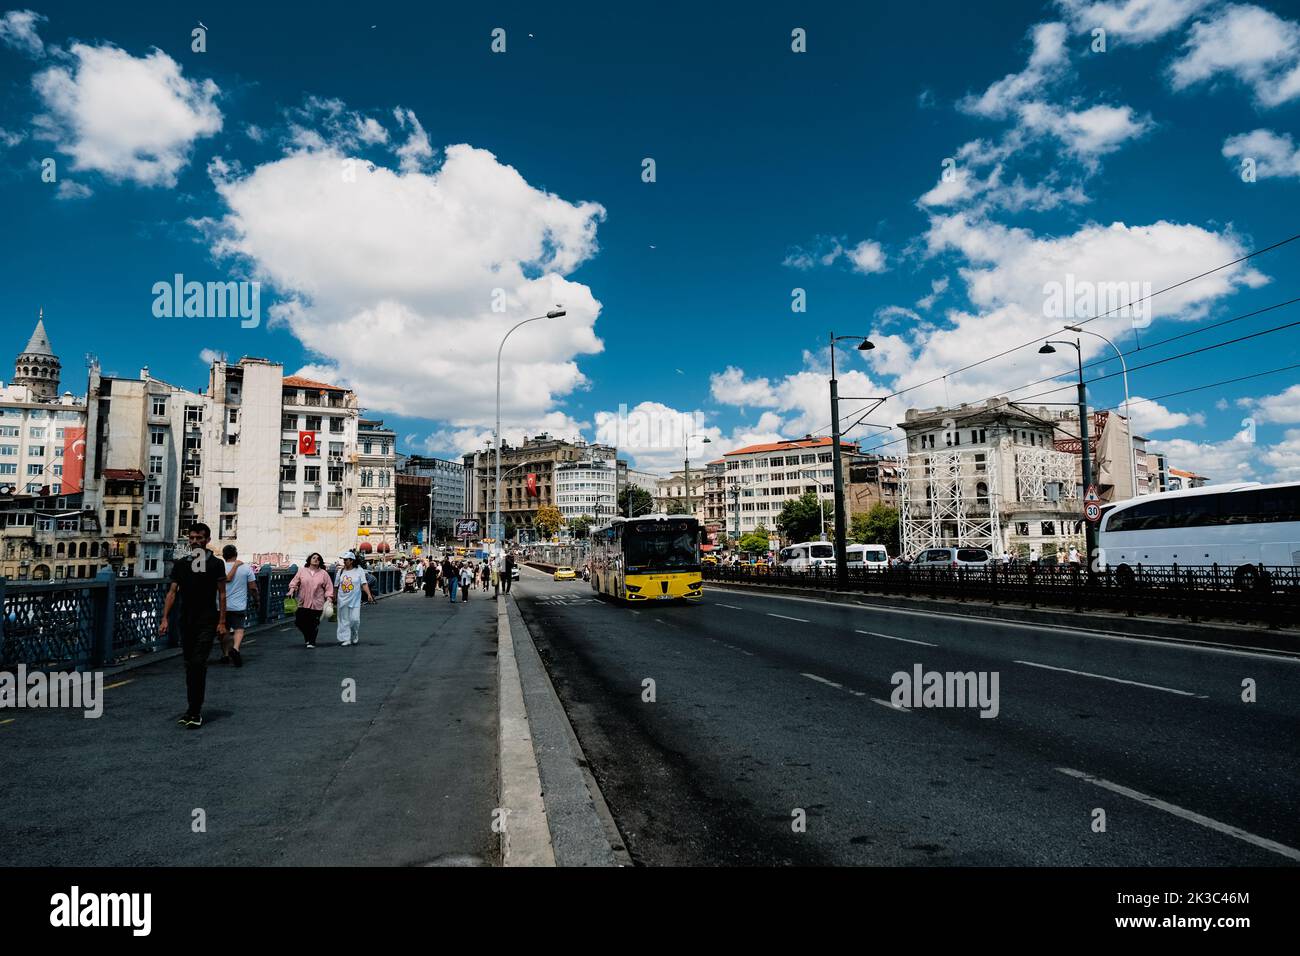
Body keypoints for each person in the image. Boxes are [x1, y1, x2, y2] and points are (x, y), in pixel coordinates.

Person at [159, 523, 227, 729]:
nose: (195, 541)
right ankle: (191, 708)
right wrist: (165, 618)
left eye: (200, 538)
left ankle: (195, 710)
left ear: (207, 540)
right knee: (190, 666)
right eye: (192, 538)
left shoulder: (216, 564)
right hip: (185, 620)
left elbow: (222, 593)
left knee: (198, 663)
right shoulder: (181, 564)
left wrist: (222, 621)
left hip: (207, 621)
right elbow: (172, 592)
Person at [221, 545, 258, 668]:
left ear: (223, 555)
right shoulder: (246, 568)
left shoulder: (219, 568)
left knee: (224, 631)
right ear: (236, 554)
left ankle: (226, 655)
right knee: (238, 628)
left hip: (220, 605)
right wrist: (256, 600)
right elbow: (253, 588)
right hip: (239, 605)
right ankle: (236, 649)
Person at [288, 552, 333, 648]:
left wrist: (329, 598)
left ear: (320, 561)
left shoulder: (323, 573)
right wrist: (291, 590)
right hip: (303, 602)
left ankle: (312, 642)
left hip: (317, 602)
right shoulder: (302, 571)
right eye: (314, 557)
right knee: (299, 622)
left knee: (313, 623)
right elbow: (295, 582)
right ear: (309, 560)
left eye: (318, 558)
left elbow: (329, 587)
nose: (316, 559)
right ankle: (307, 637)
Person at [334, 551, 374, 645]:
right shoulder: (341, 572)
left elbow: (364, 583)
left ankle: (355, 633)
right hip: (342, 599)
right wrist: (334, 596)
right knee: (344, 620)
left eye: (346, 560)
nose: (344, 562)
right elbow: (336, 585)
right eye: (343, 560)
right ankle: (346, 638)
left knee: (354, 619)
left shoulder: (359, 570)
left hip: (355, 599)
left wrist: (369, 594)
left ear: (351, 561)